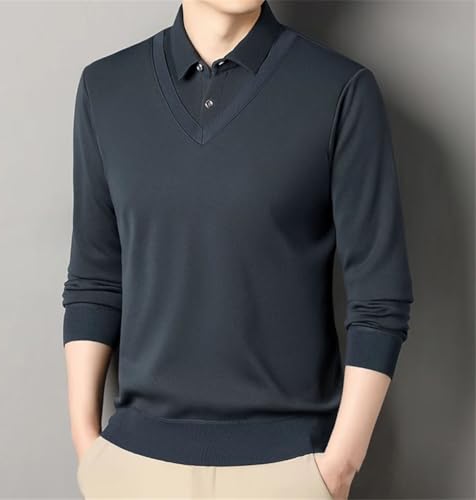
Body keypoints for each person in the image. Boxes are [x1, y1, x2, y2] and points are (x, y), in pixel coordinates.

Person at [62, 0, 414, 498]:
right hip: (135, 467)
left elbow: (379, 297)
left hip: (289, 469)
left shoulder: (339, 89)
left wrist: (338, 467)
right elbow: (95, 279)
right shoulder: (106, 88)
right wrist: (88, 450)